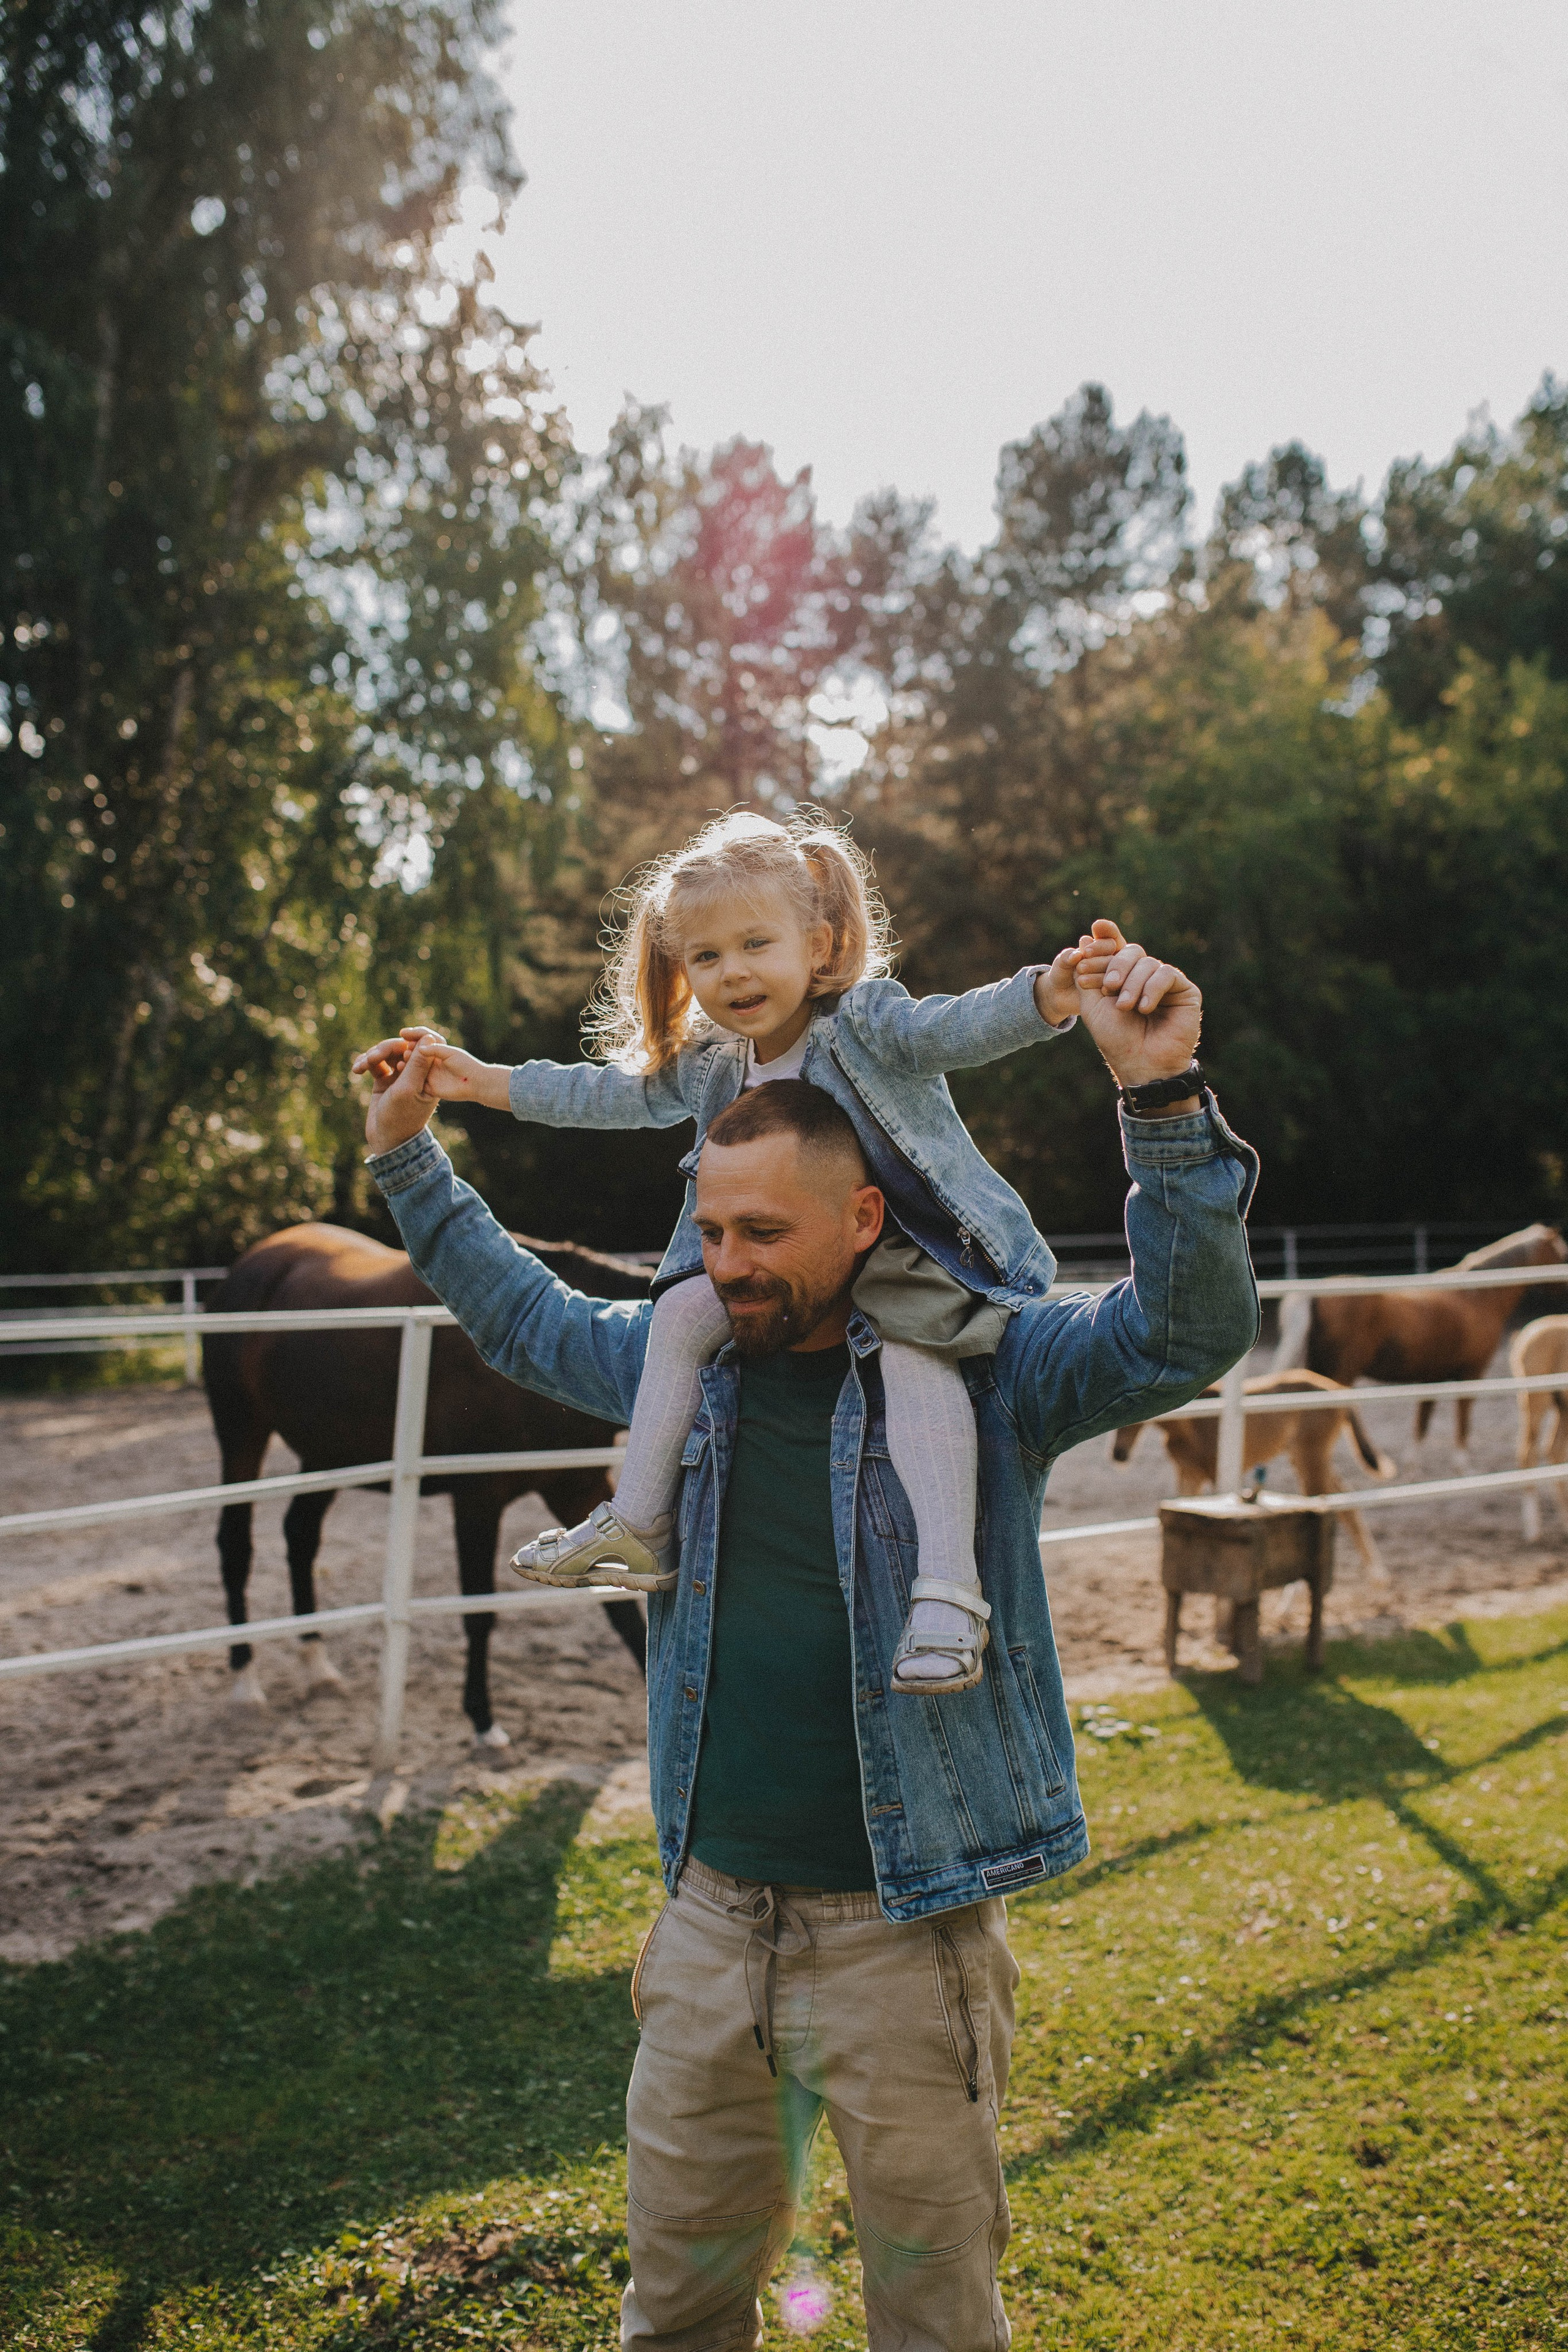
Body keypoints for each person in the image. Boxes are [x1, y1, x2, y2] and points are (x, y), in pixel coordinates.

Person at [356, 926, 1259, 2351]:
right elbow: (527, 1323)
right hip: (707, 1926)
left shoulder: (993, 1372)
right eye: (709, 1232)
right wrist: (409, 1160)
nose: (728, 1267)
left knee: (931, 2316)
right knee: (677, 2310)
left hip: (905, 1938)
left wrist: (1158, 1099)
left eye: (764, 1235)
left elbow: (1179, 1335)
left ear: (861, 1220)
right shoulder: (690, 1362)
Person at [353, 808, 1131, 1696]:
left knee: (917, 1355)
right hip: (786, 1272)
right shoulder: (716, 1064)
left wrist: (1048, 994)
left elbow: (952, 1027)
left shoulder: (864, 1023)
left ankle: (950, 1591)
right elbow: (607, 1095)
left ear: (819, 943)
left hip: (912, 1249)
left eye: (757, 943)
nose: (734, 972)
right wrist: (481, 1081)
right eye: (707, 956)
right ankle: (641, 1522)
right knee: (683, 1307)